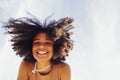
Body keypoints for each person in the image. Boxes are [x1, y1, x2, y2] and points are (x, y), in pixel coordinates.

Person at [3, 16, 74, 80]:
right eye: (37, 43)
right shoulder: (26, 65)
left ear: (55, 47)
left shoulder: (63, 69)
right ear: (30, 46)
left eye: (48, 43)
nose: (41, 46)